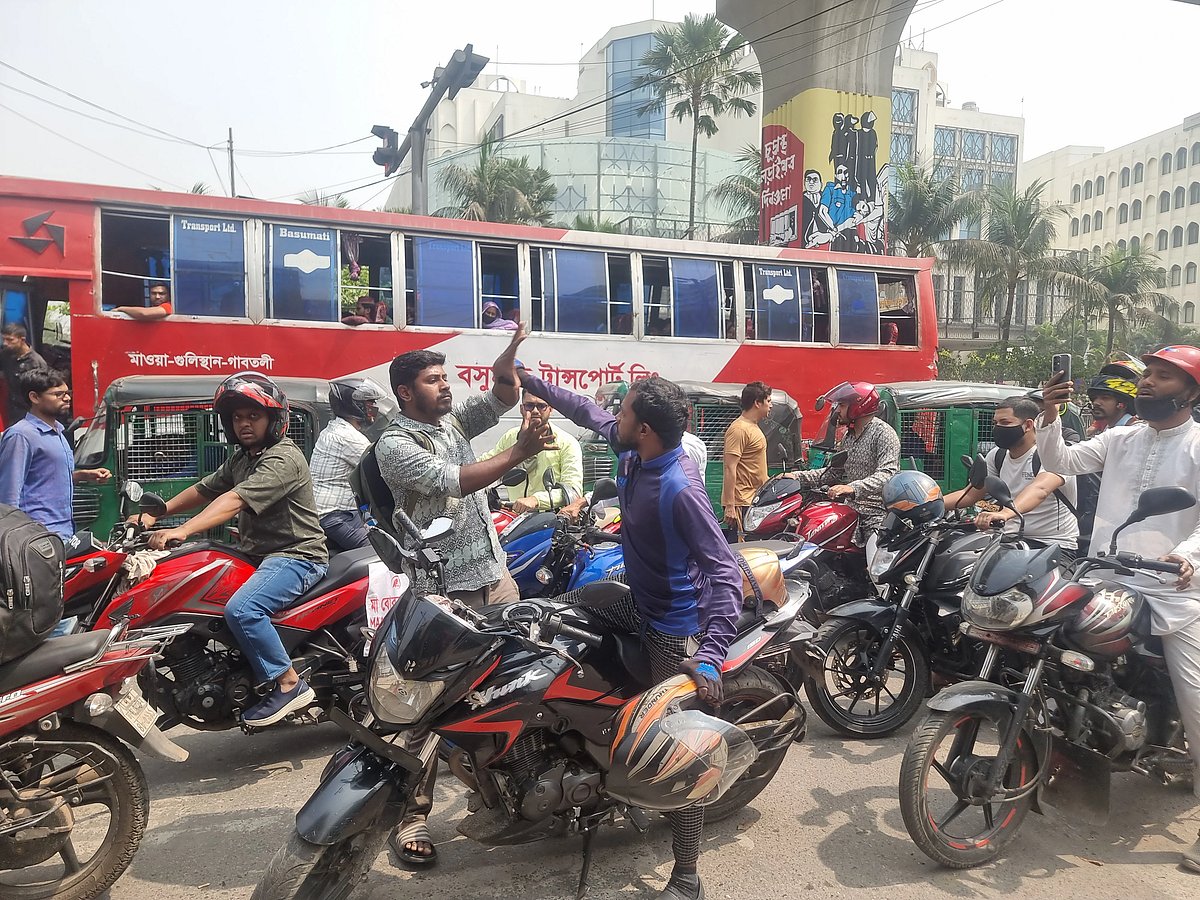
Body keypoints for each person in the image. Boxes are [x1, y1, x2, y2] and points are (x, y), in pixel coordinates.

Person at [518, 361, 741, 900]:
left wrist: (709, 654)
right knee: (542, 618)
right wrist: (526, 376)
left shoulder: (680, 488)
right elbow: (585, 410)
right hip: (634, 600)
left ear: (644, 428)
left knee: (678, 754)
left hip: (674, 629)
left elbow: (724, 572)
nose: (611, 416)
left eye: (623, 411)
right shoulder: (633, 455)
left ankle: (687, 877)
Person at [375, 326, 554, 867]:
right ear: (406, 392)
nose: (445, 386)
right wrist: (521, 449)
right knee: (429, 710)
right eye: (433, 380)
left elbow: (500, 396)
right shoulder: (395, 444)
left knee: (518, 687)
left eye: (445, 377)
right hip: (444, 593)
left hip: (493, 578)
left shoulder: (451, 422)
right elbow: (455, 481)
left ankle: (513, 790)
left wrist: (507, 363)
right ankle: (411, 816)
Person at [1037, 345, 1200, 871]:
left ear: (1192, 392)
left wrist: (1186, 554)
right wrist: (1049, 416)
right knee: (1053, 649)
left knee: (1195, 694)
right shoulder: (1121, 437)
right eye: (1147, 374)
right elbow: (1061, 462)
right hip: (1107, 575)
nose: (1147, 382)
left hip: (1174, 588)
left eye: (1162, 377)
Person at [139, 372, 329, 728]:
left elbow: (233, 500)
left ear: (274, 419)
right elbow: (206, 489)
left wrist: (183, 529)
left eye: (252, 416)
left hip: (297, 556)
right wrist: (158, 513)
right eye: (237, 417)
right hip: (258, 555)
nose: (244, 423)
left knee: (243, 610)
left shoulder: (282, 458)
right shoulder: (243, 458)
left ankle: (289, 684)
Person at [943, 396, 1079, 558]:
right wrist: (929, 504)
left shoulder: (1053, 455)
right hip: (1008, 542)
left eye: (1005, 423)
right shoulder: (997, 455)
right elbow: (972, 494)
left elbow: (1040, 489)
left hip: (1052, 546)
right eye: (995, 423)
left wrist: (1004, 514)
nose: (998, 428)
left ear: (1028, 425)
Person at [785, 381, 900, 551]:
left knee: (876, 562)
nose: (837, 410)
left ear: (859, 406)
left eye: (843, 405)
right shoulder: (849, 436)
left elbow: (888, 474)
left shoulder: (884, 434)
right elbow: (834, 472)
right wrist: (797, 477)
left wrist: (852, 488)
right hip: (849, 509)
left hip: (875, 513)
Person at [0, 368, 111, 540]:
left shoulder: (58, 431)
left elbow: (42, 476)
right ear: (34, 397)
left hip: (64, 531)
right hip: (36, 537)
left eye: (67, 393)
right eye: (58, 394)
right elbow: (9, 494)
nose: (67, 398)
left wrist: (82, 475)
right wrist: (13, 541)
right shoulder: (20, 435)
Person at [310, 377, 387, 551]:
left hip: (340, 514)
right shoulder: (347, 437)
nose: (374, 407)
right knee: (380, 554)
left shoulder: (336, 429)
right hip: (336, 517)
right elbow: (385, 469)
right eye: (369, 402)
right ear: (352, 404)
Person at [479, 390, 582, 514]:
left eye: (541, 406)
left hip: (551, 522)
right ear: (522, 408)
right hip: (513, 520)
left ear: (551, 408)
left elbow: (573, 491)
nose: (535, 411)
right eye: (529, 406)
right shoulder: (511, 437)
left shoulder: (567, 443)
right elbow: (487, 463)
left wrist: (535, 500)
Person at [721, 381, 772, 541]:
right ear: (757, 403)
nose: (771, 406)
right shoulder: (739, 429)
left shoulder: (753, 427)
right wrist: (730, 505)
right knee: (742, 552)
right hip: (741, 503)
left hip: (752, 499)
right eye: (768, 401)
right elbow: (730, 468)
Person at [2, 323, 47, 426]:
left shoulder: (36, 362)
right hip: (12, 411)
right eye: (4, 339)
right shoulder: (6, 355)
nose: (5, 343)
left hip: (30, 414)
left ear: (22, 340)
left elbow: (43, 391)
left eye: (10, 340)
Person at [1085, 357, 1144, 436]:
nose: (1096, 403)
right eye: (1094, 398)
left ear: (1122, 404)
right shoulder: (1109, 431)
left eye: (1105, 398)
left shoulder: (1136, 433)